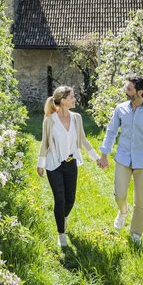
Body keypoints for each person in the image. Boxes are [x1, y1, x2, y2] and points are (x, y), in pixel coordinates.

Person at [97, 74, 143, 244]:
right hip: (123, 158)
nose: (125, 90)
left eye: (129, 88)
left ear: (139, 92)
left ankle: (136, 233)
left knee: (141, 200)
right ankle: (123, 211)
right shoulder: (120, 109)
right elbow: (111, 132)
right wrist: (104, 154)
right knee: (119, 194)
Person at [38, 86, 99, 247]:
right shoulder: (49, 120)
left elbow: (83, 140)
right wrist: (40, 164)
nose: (75, 99)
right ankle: (61, 233)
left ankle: (63, 217)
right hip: (54, 164)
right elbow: (44, 143)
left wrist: (96, 158)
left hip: (71, 163)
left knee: (70, 199)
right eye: (72, 97)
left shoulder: (76, 118)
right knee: (59, 199)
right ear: (63, 100)